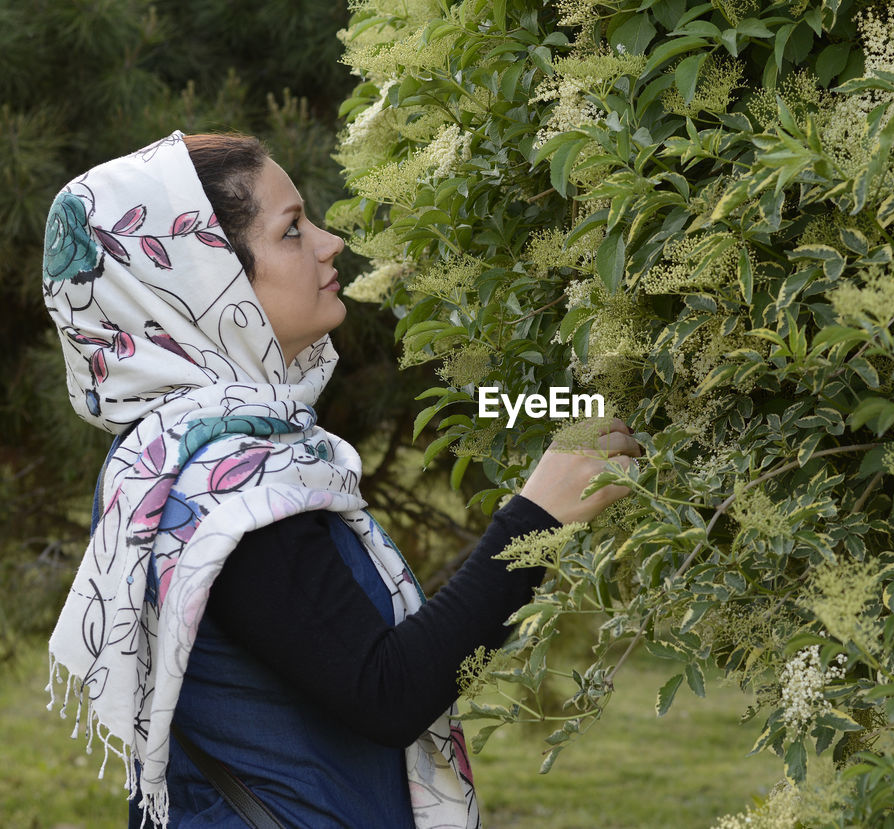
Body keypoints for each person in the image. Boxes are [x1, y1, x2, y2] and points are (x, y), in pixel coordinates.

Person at [42, 130, 641, 829]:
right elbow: (387, 689)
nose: (330, 243)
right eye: (292, 230)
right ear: (209, 282)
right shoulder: (222, 487)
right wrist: (536, 516)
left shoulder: (164, 456)